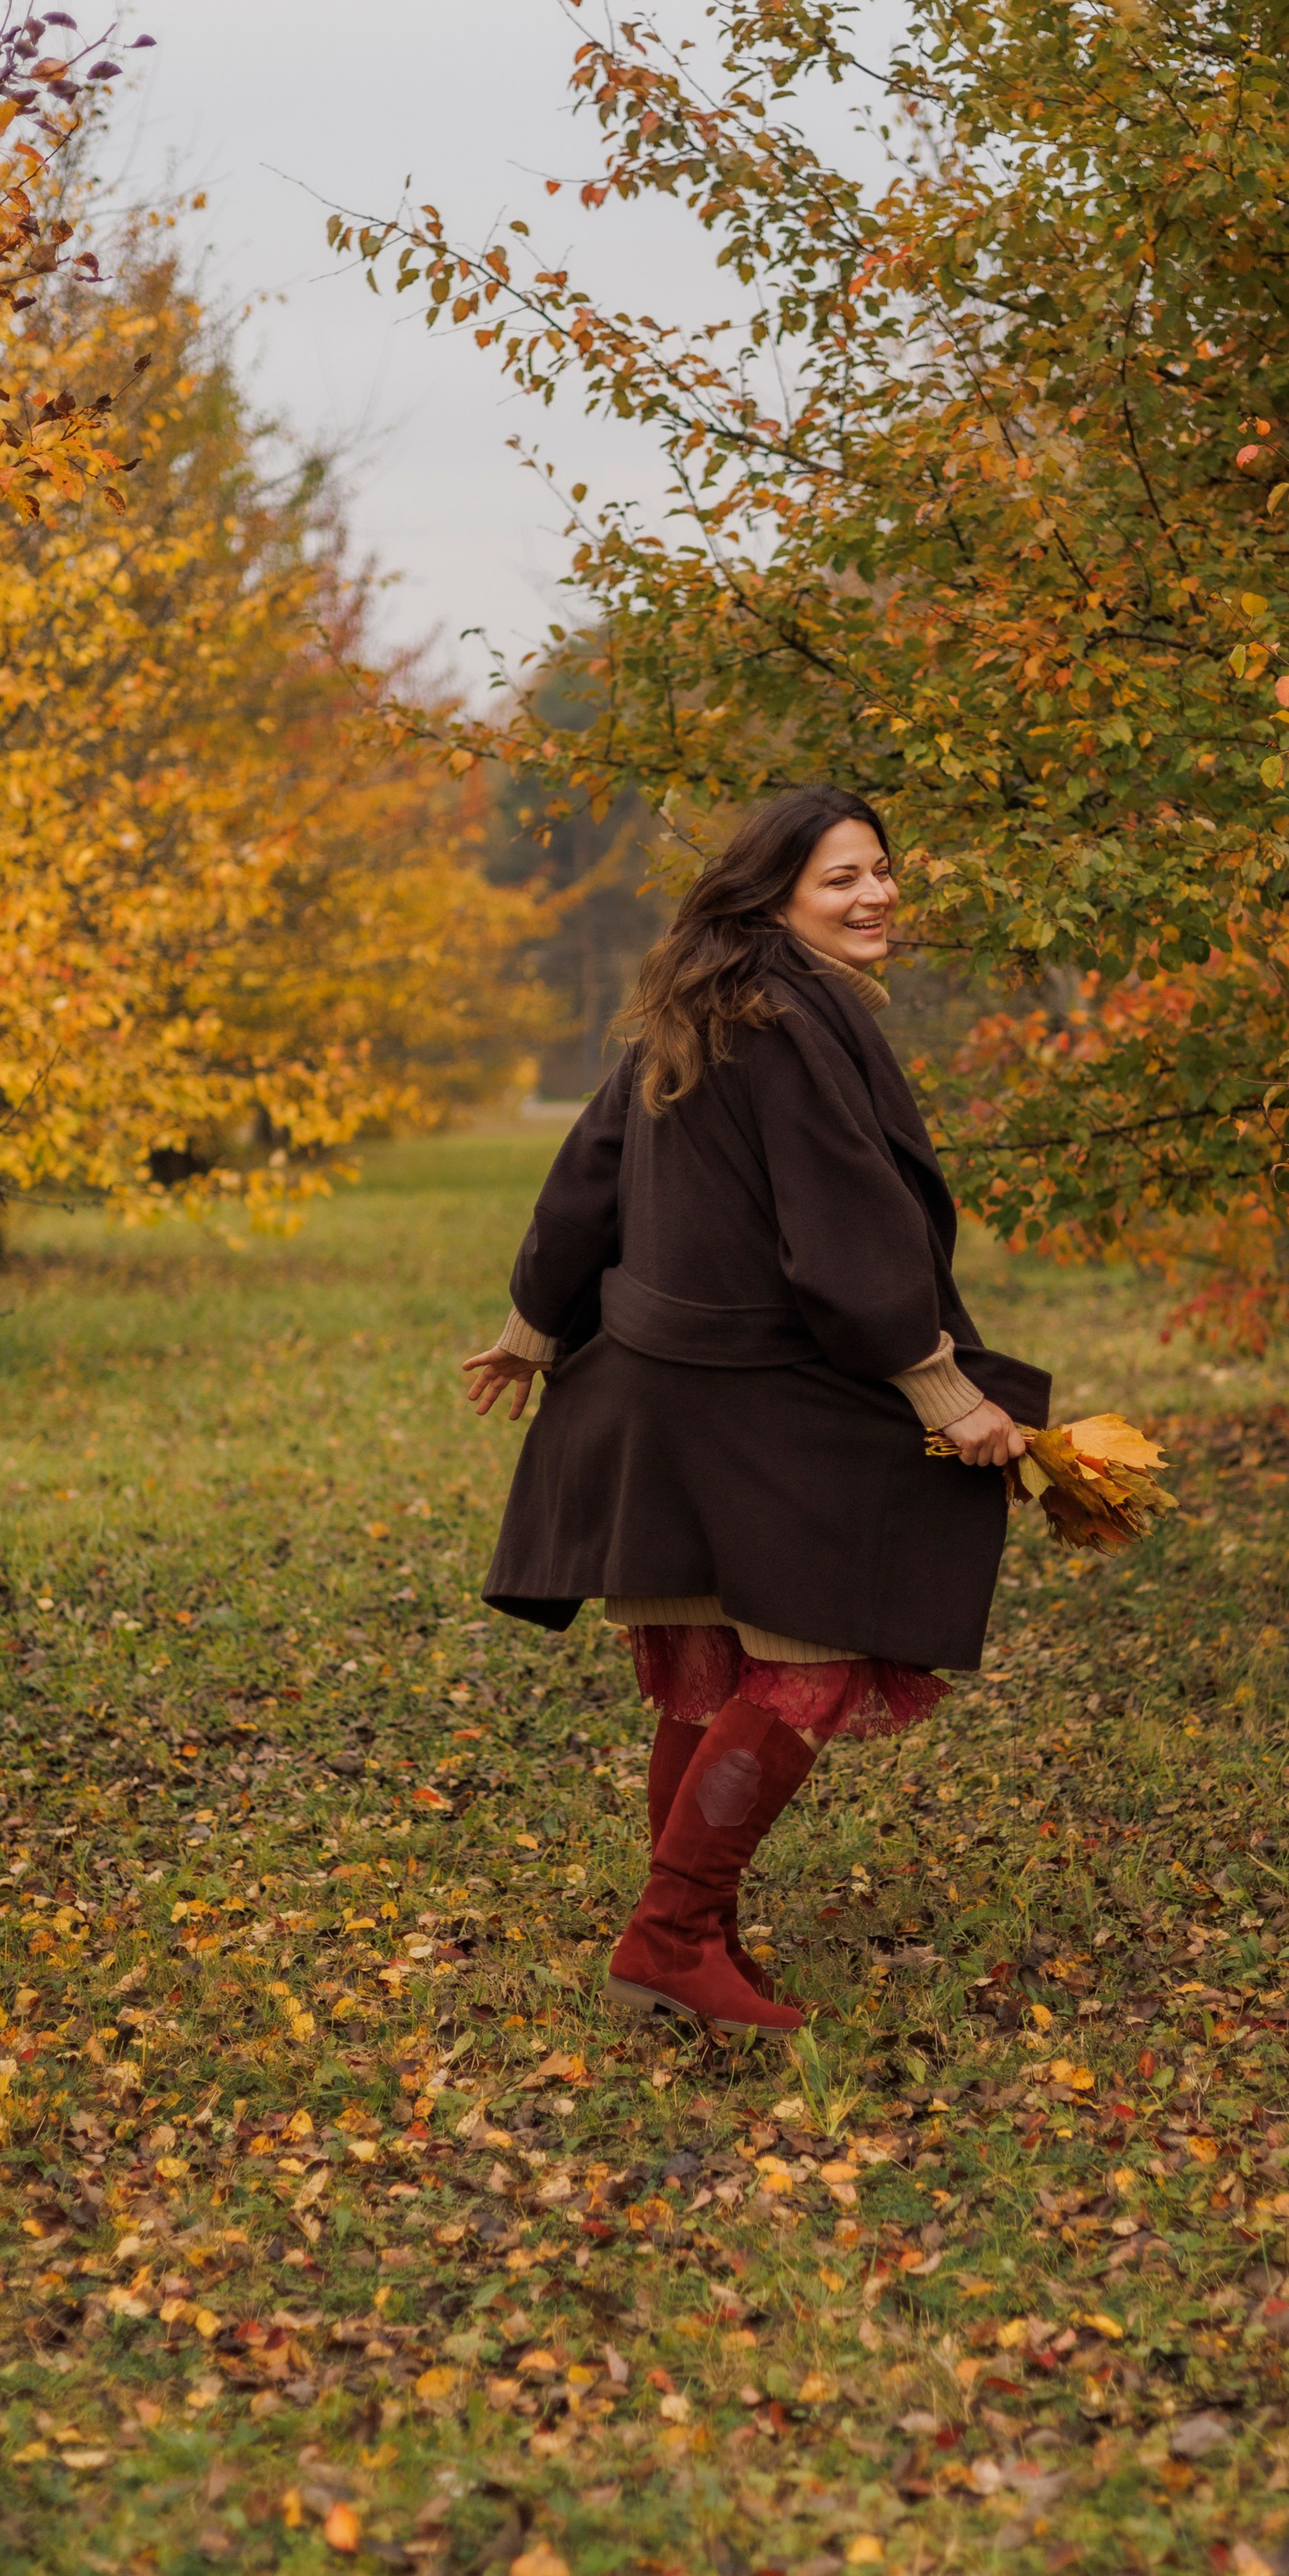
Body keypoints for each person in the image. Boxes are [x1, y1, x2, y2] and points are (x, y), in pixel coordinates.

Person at [462, 785, 1050, 2037]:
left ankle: (689, 1934)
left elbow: (586, 1179)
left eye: (884, 870)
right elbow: (845, 1231)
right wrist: (948, 1392)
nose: (877, 894)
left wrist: (533, 1324)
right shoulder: (789, 1018)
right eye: (842, 877)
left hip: (667, 1387)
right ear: (774, 890)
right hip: (748, 1394)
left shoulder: (708, 1003)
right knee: (811, 1651)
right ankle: (671, 1937)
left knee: (726, 1649)